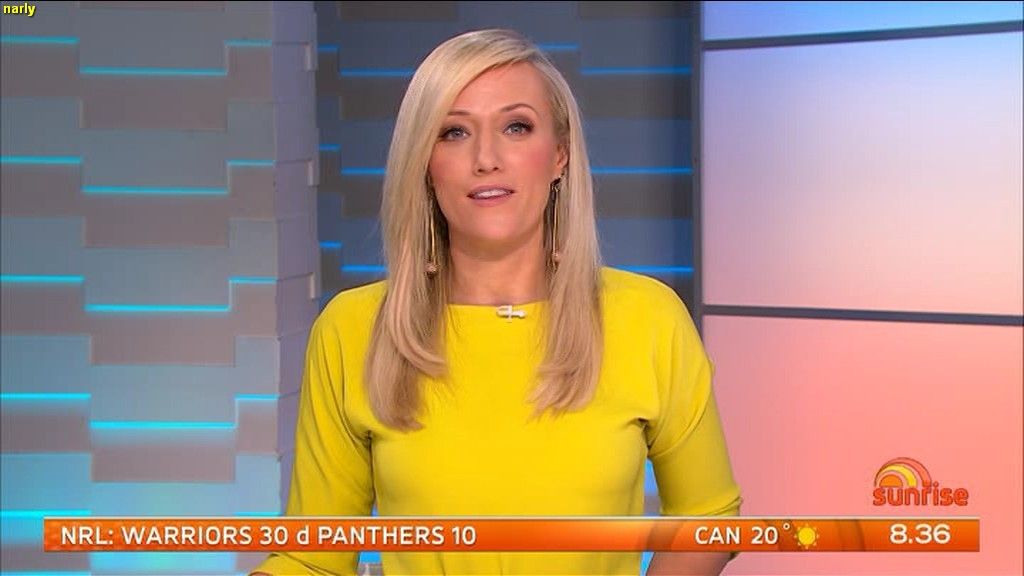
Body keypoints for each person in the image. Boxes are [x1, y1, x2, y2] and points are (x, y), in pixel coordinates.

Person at [252, 28, 741, 576]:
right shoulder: (353, 329)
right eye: (454, 132)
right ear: (424, 162)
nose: (486, 158)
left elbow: (708, 521)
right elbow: (312, 556)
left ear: (559, 155)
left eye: (516, 127)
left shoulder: (648, 318)